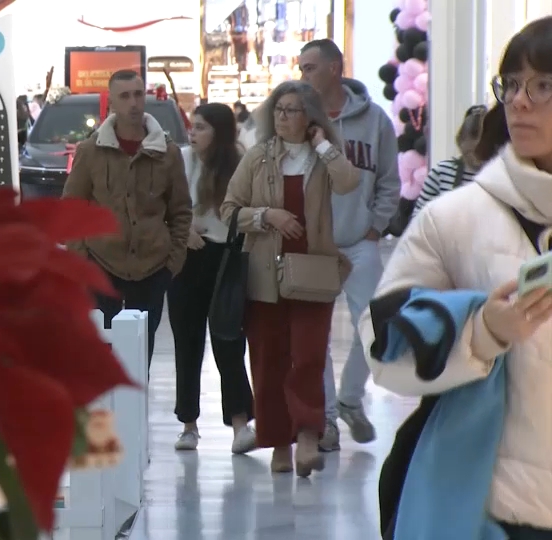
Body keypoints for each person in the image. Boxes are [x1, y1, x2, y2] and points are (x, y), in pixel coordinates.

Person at [365, 17, 552, 539]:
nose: (519, 100)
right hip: (493, 508)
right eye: (512, 83)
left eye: (543, 85)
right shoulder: (456, 218)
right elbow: (381, 347)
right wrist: (482, 332)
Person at [220, 81, 359, 476]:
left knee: (311, 356)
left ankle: (309, 436)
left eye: (293, 110)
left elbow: (348, 182)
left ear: (310, 116)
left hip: (313, 270)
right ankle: (279, 442)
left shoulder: (323, 157)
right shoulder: (258, 158)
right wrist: (267, 216)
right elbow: (229, 209)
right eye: (279, 109)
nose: (283, 117)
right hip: (264, 274)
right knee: (268, 360)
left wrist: (322, 144)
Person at [298, 38, 400, 450]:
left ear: (335, 68)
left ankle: (350, 399)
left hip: (360, 241)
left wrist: (375, 225)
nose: (302, 75)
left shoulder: (374, 120)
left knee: (375, 325)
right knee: (314, 334)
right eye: (301, 67)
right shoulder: (299, 119)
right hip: (314, 244)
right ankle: (326, 419)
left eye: (310, 67)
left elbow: (390, 180)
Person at [63, 69, 192, 364]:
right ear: (112, 104)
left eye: (138, 94)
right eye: (125, 96)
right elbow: (71, 207)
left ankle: (135, 410)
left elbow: (181, 211)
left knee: (139, 356)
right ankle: (106, 411)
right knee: (102, 357)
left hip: (152, 268)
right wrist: (81, 258)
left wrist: (172, 262)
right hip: (101, 264)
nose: (133, 103)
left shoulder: (167, 153)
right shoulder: (91, 151)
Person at [170, 103, 256, 453]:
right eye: (192, 126)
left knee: (229, 340)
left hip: (225, 258)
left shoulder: (239, 163)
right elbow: (166, 205)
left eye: (201, 127)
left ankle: (240, 424)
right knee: (187, 343)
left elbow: (243, 212)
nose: (193, 133)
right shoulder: (180, 159)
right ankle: (188, 425)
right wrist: (182, 231)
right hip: (187, 258)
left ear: (218, 132)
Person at [413, 105, 487, 213]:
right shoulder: (441, 173)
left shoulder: (501, 176)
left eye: (482, 151)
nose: (476, 158)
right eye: (470, 152)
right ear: (460, 141)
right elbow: (418, 222)